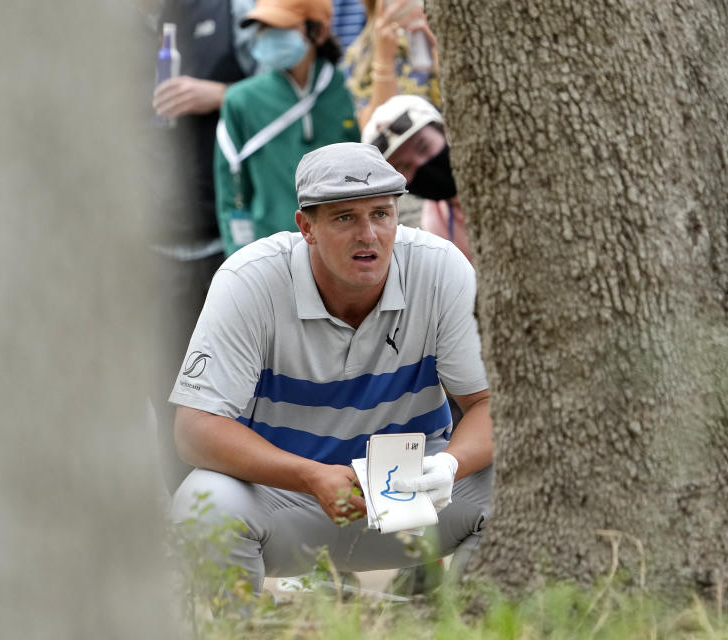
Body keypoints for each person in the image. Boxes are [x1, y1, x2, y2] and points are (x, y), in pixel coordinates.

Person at [170, 142, 493, 594]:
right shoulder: (250, 279)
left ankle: (452, 620)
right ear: (307, 227)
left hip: (410, 495)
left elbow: (490, 405)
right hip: (286, 498)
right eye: (345, 218)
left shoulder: (440, 269)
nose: (369, 234)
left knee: (517, 488)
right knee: (202, 504)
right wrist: (308, 475)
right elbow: (194, 429)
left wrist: (449, 467)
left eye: (381, 213)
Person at [148, 0, 258, 492]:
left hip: (225, 240)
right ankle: (185, 517)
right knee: (167, 388)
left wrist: (220, 94)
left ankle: (260, 517)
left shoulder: (231, 11)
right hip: (148, 247)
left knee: (237, 389)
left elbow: (296, 92)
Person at [214, 0, 360, 256]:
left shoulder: (352, 90)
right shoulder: (241, 101)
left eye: (282, 27)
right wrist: (241, 257)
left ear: (320, 31)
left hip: (344, 253)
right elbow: (232, 195)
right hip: (271, 256)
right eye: (263, 27)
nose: (269, 36)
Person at [361, 94, 472, 262]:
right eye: (403, 167)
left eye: (423, 147)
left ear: (444, 129)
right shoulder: (437, 224)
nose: (420, 163)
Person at [343, 0, 441, 130]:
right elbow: (371, 130)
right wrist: (384, 59)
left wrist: (442, 52)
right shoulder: (360, 53)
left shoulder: (451, 30)